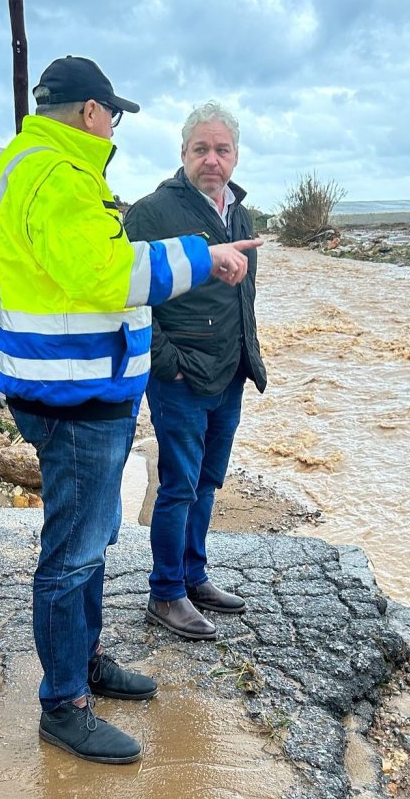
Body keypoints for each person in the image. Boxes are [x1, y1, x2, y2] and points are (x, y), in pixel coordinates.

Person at [0, 58, 261, 765]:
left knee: (92, 539)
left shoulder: (39, 166)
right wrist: (203, 258)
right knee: (73, 555)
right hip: (72, 397)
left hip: (74, 388)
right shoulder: (59, 175)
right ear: (89, 112)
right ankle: (65, 704)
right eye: (114, 114)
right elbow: (108, 276)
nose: (115, 126)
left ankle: (87, 665)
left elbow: (86, 270)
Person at [123, 101, 267, 641]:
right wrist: (169, 365)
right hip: (181, 376)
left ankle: (193, 576)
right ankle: (166, 594)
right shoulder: (152, 212)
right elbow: (132, 298)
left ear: (235, 155)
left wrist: (248, 357)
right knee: (178, 485)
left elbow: (243, 296)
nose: (212, 159)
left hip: (228, 372)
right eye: (201, 149)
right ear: (183, 153)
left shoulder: (239, 213)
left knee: (208, 480)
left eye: (222, 149)